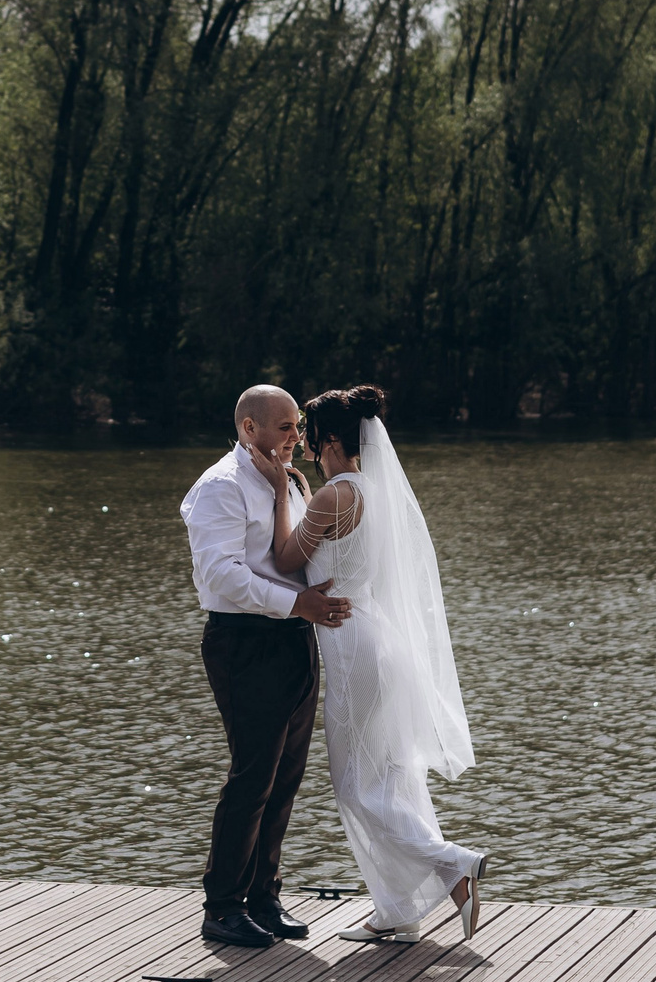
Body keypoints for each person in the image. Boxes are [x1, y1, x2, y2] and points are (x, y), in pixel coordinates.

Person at [270, 385, 487, 944]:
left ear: (334, 440)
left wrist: (278, 491)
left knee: (355, 786)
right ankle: (398, 909)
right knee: (389, 775)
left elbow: (285, 560)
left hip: (351, 649)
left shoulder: (333, 496)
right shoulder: (371, 490)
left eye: (313, 440)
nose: (310, 450)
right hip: (376, 636)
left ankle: (450, 861)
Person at [179, 384, 352, 949]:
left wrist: (316, 600)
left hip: (296, 639)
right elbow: (221, 577)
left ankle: (262, 896)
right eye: (284, 428)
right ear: (249, 429)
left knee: (285, 778)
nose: (295, 438)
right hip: (245, 643)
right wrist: (298, 602)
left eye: (298, 427)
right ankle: (221, 906)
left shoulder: (289, 484)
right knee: (252, 776)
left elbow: (290, 558)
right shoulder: (220, 488)